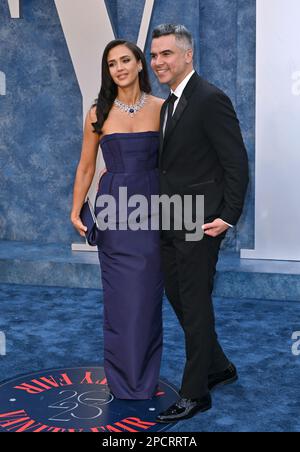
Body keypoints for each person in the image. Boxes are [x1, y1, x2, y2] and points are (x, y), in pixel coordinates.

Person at [150, 24, 249, 422]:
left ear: (187, 56)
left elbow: (236, 162)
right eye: (154, 55)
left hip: (200, 218)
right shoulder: (168, 102)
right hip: (171, 217)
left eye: (166, 54)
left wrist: (228, 215)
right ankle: (218, 366)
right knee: (182, 299)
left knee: (193, 302)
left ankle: (196, 393)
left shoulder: (210, 99)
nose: (157, 62)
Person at [70, 40, 164, 399]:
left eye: (126, 60)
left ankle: (145, 377)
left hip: (154, 209)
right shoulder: (98, 112)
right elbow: (86, 166)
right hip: (114, 211)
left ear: (140, 64)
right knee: (121, 298)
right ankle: (124, 381)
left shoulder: (162, 108)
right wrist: (76, 208)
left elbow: (177, 164)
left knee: (147, 298)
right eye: (112, 64)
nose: (120, 68)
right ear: (107, 72)